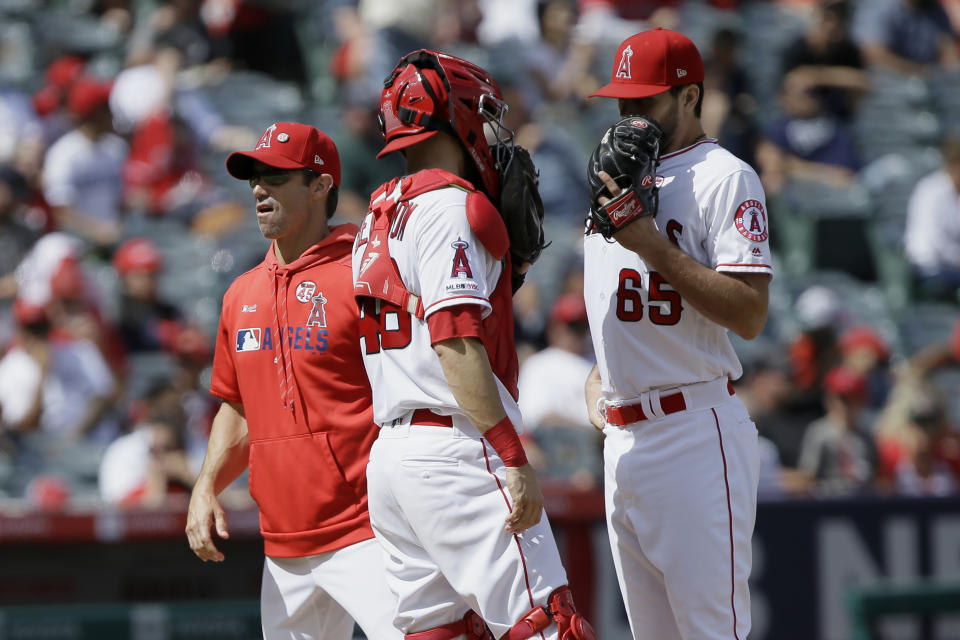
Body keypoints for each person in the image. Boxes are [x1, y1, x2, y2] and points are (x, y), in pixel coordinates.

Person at [352, 50, 595, 639]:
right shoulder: (450, 207)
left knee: (439, 633)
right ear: (451, 116)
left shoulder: (377, 213)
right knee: (550, 625)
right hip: (457, 447)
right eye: (481, 113)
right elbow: (455, 343)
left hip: (393, 459)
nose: (489, 129)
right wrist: (512, 453)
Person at [583, 28, 773, 640]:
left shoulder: (726, 177)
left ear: (690, 96)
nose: (630, 116)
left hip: (693, 431)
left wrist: (647, 242)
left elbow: (749, 313)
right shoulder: (613, 175)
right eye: (623, 103)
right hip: (623, 442)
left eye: (646, 102)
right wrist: (602, 377)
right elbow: (622, 305)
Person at [184, 122, 401, 640]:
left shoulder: (365, 273)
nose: (260, 187)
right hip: (282, 544)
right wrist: (206, 484)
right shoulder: (240, 293)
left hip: (369, 530)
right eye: (256, 176)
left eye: (278, 176)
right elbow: (238, 408)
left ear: (320, 185)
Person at [904, 136, 960, 301]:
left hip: (952, 268)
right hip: (928, 270)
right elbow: (935, 244)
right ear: (952, 166)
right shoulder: (931, 191)